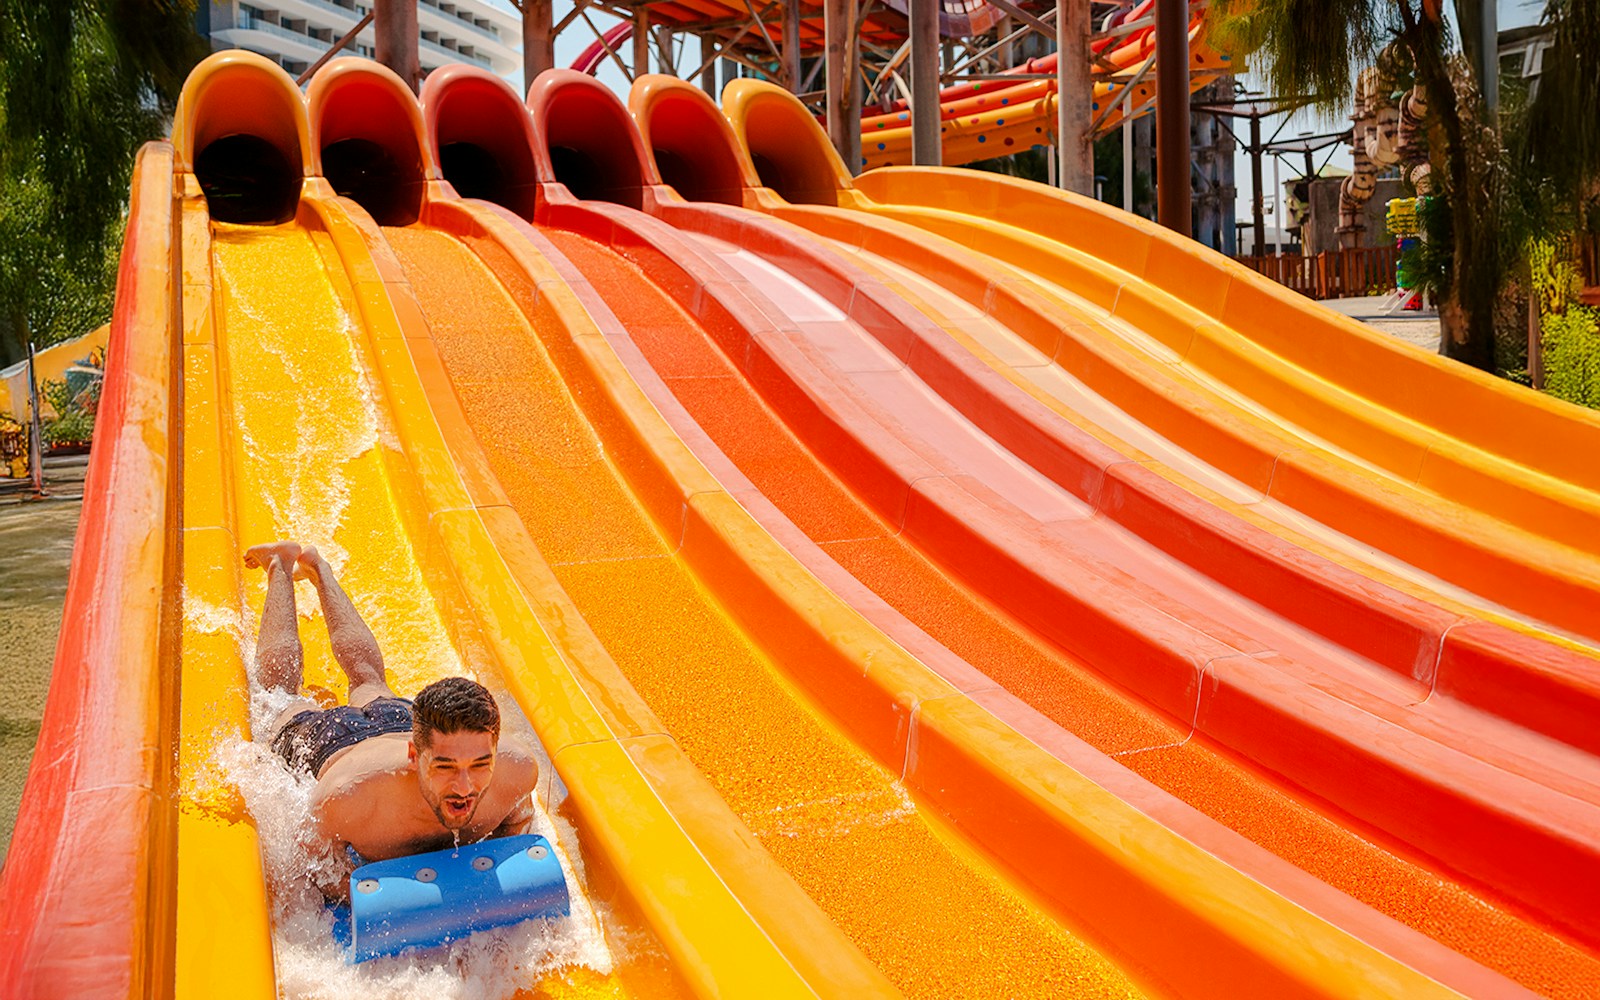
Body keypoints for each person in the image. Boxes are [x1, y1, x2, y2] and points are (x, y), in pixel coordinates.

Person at [244, 540, 538, 893]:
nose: (464, 786)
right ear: (414, 755)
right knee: (278, 698)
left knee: (369, 679)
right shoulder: (348, 798)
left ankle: (319, 569)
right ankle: (279, 564)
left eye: (480, 764)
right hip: (332, 743)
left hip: (398, 720)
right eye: (445, 767)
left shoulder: (516, 771)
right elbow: (317, 872)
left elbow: (516, 826)